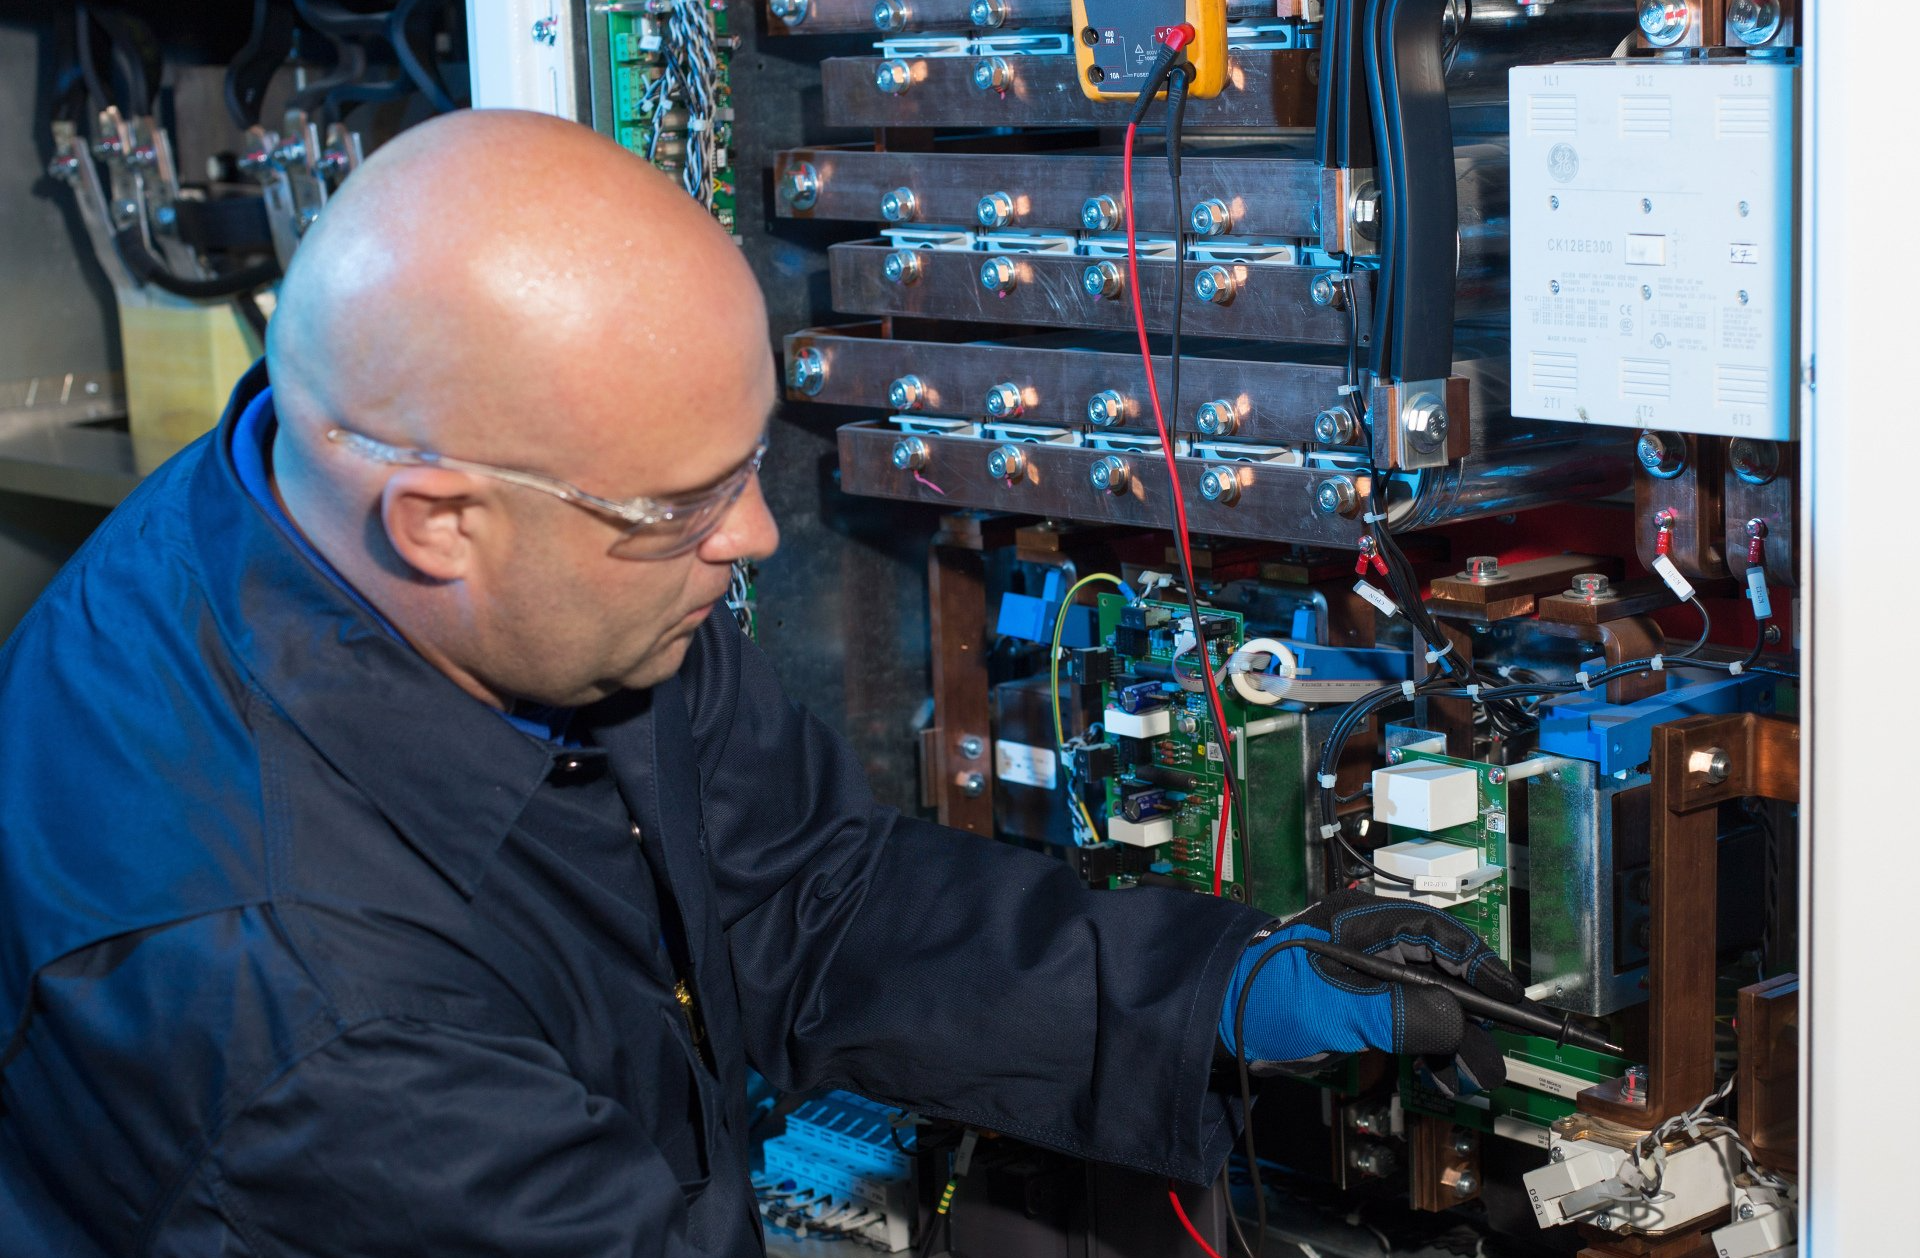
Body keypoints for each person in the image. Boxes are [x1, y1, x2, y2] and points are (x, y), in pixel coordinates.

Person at [0, 110, 1518, 1255]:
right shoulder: (299, 1015)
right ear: (438, 522)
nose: (754, 537)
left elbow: (802, 890)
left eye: (741, 469)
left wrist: (1224, 991)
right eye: (683, 505)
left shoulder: (392, 513)